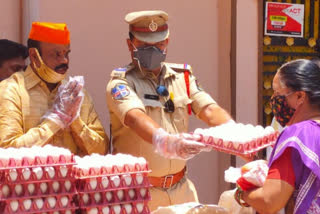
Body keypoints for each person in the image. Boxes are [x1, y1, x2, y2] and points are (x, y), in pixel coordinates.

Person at [106, 10, 232, 211]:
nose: (154, 50)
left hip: (181, 190)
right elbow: (135, 117)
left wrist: (233, 131)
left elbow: (208, 109)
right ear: (130, 44)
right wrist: (165, 141)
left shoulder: (182, 77)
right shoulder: (121, 82)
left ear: (167, 42)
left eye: (159, 44)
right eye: (146, 45)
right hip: (138, 194)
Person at [0, 22, 108, 156]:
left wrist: (75, 121)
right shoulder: (11, 90)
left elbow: (102, 151)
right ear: (34, 56)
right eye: (56, 54)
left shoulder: (75, 92)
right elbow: (7, 152)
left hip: (73, 177)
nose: (64, 61)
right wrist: (56, 119)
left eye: (66, 54)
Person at [237, 59, 320, 213]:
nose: (273, 100)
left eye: (277, 93)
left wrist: (242, 192)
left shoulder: (297, 136)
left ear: (300, 96)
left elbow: (269, 201)